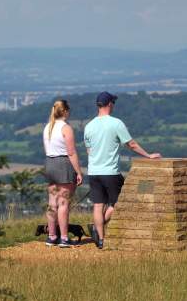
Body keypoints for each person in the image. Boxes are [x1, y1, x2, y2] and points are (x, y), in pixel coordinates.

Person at [84, 92, 161, 249]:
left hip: (93, 172)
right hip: (111, 172)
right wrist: (148, 155)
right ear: (110, 104)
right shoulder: (116, 123)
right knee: (120, 202)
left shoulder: (89, 125)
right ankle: (97, 229)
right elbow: (131, 144)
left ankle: (101, 240)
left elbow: (89, 151)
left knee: (98, 205)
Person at [42, 99, 83, 248]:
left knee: (52, 202)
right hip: (63, 164)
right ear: (65, 111)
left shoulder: (47, 127)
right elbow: (71, 153)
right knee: (63, 202)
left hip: (50, 164)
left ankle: (52, 236)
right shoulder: (66, 128)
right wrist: (79, 172)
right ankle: (64, 238)